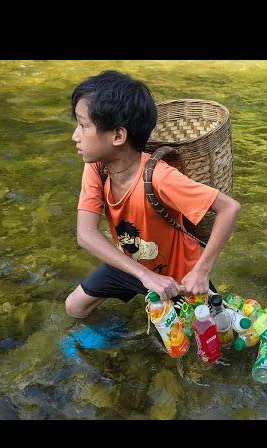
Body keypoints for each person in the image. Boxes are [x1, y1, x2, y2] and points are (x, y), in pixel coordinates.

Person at [64, 70, 241, 320]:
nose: (75, 135)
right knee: (75, 307)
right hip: (132, 264)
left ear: (117, 136)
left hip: (177, 275)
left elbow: (229, 208)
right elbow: (86, 234)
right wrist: (145, 275)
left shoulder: (160, 177)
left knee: (202, 339)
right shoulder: (96, 166)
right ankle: (117, 336)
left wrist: (201, 271)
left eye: (83, 126)